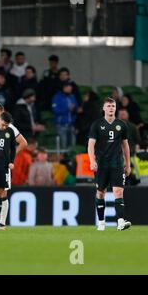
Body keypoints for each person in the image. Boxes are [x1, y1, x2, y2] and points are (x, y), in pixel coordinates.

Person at [88, 97, 132, 231]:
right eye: (108, 106)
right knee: (101, 192)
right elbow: (91, 144)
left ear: (115, 108)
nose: (111, 108)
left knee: (118, 191)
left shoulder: (122, 125)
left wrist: (128, 164)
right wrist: (92, 160)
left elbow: (125, 146)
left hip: (117, 164)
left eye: (113, 106)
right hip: (101, 164)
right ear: (104, 108)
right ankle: (101, 222)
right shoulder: (96, 124)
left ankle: (120, 222)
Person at [52, 81, 79, 149]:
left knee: (72, 146)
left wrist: (75, 109)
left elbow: (75, 108)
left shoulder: (72, 96)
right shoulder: (57, 97)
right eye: (69, 88)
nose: (70, 90)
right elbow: (55, 110)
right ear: (64, 88)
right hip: (61, 125)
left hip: (71, 124)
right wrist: (67, 109)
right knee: (63, 146)